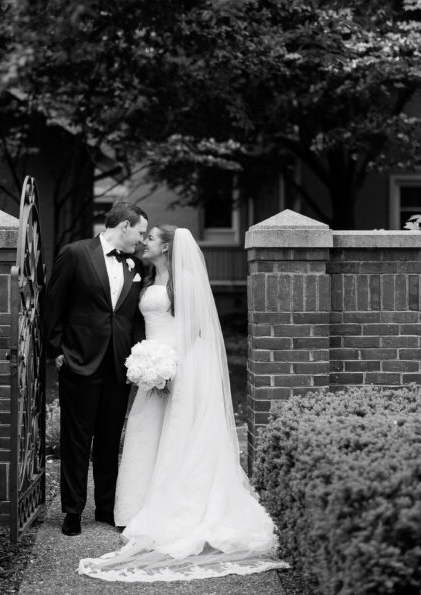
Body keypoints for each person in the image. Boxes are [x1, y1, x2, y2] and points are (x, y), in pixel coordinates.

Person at [78, 226, 289, 581]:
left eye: (151, 238)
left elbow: (195, 330)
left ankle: (175, 506)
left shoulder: (185, 282)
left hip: (178, 366)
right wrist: (149, 364)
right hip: (153, 368)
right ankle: (135, 507)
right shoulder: (145, 276)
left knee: (178, 436)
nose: (144, 242)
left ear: (166, 247)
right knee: (146, 431)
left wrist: (171, 366)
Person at [43, 202, 149, 537]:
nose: (142, 239)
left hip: (119, 365)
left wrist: (138, 357)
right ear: (124, 226)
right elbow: (53, 303)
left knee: (109, 439)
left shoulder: (137, 265)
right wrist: (56, 351)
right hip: (79, 361)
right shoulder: (75, 254)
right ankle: (72, 511)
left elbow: (133, 317)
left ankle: (106, 507)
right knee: (76, 440)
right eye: (140, 232)